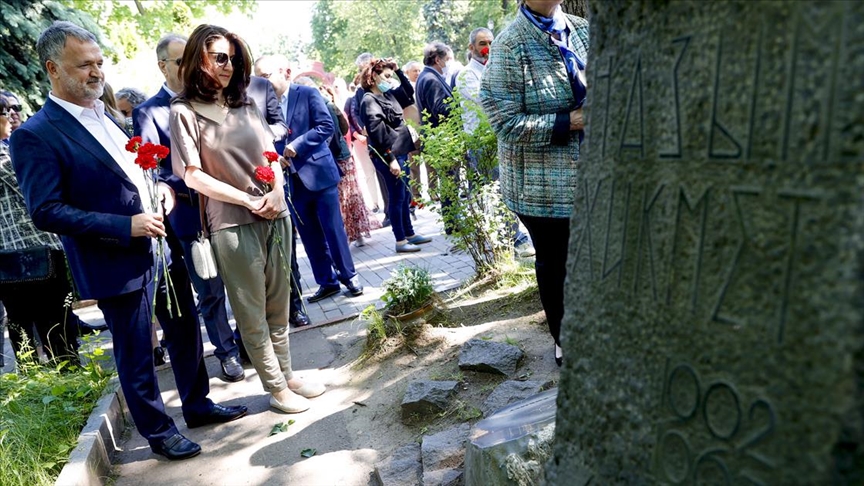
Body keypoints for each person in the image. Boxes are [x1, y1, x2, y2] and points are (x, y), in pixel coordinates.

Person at [11, 21, 247, 460]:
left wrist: (162, 189)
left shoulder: (113, 119)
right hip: (114, 259)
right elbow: (45, 210)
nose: (96, 73)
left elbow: (136, 175)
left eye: (99, 63)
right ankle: (159, 432)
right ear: (52, 69)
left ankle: (197, 405)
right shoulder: (35, 134)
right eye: (84, 65)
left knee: (185, 330)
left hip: (161, 245)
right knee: (137, 348)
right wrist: (126, 226)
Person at [170, 25, 324, 415]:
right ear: (197, 59)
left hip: (275, 211)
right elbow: (192, 175)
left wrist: (275, 192)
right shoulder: (183, 112)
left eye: (233, 58)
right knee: (251, 312)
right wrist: (246, 199)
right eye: (219, 57)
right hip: (231, 222)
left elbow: (270, 153)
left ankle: (287, 375)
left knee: (279, 305)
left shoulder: (246, 102)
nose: (228, 65)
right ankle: (275, 388)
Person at [480, 0, 588, 367]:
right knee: (557, 262)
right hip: (542, 189)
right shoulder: (510, 44)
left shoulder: (581, 28)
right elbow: (504, 120)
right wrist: (571, 121)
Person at [134, 33, 245, 381]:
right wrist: (198, 178)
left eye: (193, 58)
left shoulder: (211, 99)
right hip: (189, 214)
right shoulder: (149, 112)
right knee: (209, 288)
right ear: (162, 66)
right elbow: (154, 170)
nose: (189, 67)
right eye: (180, 60)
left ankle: (248, 342)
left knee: (242, 280)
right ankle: (226, 353)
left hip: (229, 210)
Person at [254, 54, 364, 304]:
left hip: (319, 174)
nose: (262, 82)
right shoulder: (259, 106)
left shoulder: (307, 94)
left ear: (286, 72)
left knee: (333, 229)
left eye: (266, 75)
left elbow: (326, 126)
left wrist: (297, 146)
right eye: (258, 77)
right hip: (290, 181)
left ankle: (349, 276)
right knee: (308, 234)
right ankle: (327, 282)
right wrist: (275, 159)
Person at [0, 94, 81, 365]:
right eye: (5, 110)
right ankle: (41, 384)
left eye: (16, 108)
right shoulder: (9, 153)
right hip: (20, 251)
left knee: (57, 318)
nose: (12, 114)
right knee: (27, 323)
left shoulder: (14, 144)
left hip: (42, 245)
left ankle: (69, 378)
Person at [455, 27, 535, 258]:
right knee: (501, 191)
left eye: (490, 41)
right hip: (483, 144)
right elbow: (489, 100)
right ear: (471, 48)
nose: (487, 47)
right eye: (482, 43)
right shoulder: (466, 75)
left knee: (516, 188)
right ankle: (516, 240)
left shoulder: (499, 69)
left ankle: (518, 236)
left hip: (506, 137)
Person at [359, 58, 432, 253]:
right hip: (388, 157)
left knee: (404, 194)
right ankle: (400, 240)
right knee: (397, 197)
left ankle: (409, 233)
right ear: (374, 76)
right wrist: (391, 159)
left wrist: (399, 72)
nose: (389, 80)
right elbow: (378, 134)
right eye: (386, 76)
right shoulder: (369, 100)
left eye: (391, 76)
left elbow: (408, 92)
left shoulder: (388, 95)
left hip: (400, 153)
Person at [311, 79, 380, 247]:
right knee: (353, 195)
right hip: (344, 154)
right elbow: (344, 129)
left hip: (334, 157)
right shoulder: (331, 105)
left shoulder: (319, 108)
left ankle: (347, 236)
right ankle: (358, 234)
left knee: (342, 198)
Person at [415, 42, 454, 207]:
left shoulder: (426, 76)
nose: (448, 63)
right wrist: (458, 106)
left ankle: (453, 221)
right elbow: (440, 109)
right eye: (447, 59)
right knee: (449, 181)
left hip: (436, 137)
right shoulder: (431, 79)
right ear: (437, 59)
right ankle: (453, 223)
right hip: (441, 139)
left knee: (448, 180)